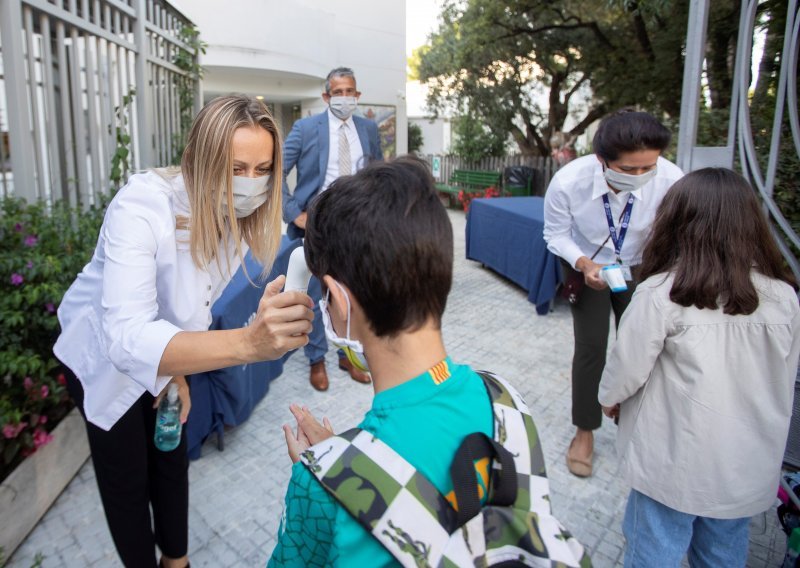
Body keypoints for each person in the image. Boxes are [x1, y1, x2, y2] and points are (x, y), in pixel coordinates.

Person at [268, 157, 583, 567]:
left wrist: (330, 476)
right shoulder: (506, 399)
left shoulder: (317, 486)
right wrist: (345, 463)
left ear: (340, 300)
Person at [53, 95, 314, 568]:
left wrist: (177, 377)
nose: (250, 184)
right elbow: (127, 338)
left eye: (263, 169)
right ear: (200, 159)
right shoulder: (141, 203)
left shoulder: (238, 215)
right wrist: (248, 343)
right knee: (127, 478)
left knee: (171, 454)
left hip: (169, 355)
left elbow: (194, 309)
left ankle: (177, 561)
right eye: (237, 167)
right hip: (102, 359)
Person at [598, 168, 800, 567]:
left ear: (676, 222)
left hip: (672, 461)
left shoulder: (661, 293)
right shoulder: (783, 296)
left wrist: (608, 399)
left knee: (654, 549)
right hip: (746, 461)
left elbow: (627, 367)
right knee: (723, 553)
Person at [543, 109, 683, 477]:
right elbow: (555, 235)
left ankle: (637, 422)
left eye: (647, 168)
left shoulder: (671, 180)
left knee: (644, 347)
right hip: (588, 266)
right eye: (629, 169)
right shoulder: (568, 182)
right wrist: (584, 264)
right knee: (591, 347)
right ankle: (585, 430)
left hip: (641, 268)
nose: (641, 177)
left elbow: (678, 235)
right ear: (602, 159)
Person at [281, 66, 383, 391]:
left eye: (349, 91)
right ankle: (316, 360)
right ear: (326, 96)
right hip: (317, 227)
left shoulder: (368, 128)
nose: (344, 98)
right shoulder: (305, 128)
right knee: (314, 294)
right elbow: (275, 172)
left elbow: (377, 174)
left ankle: (346, 356)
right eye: (337, 92)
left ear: (358, 95)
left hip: (356, 227)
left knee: (351, 296)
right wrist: (293, 212)